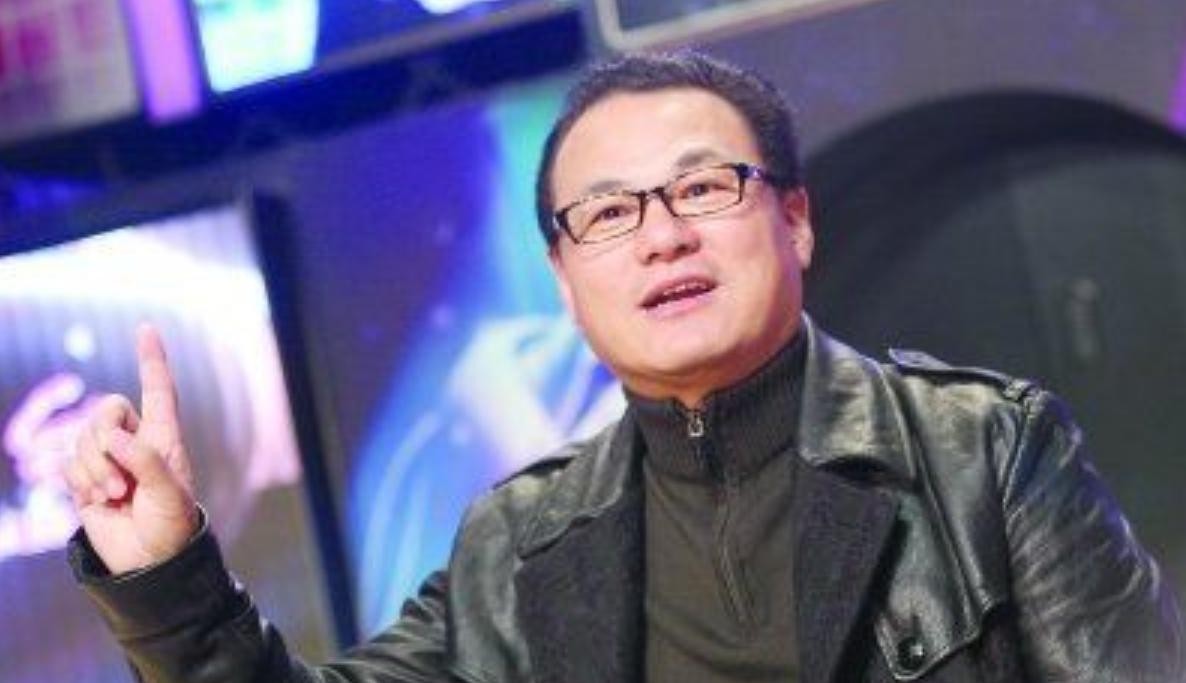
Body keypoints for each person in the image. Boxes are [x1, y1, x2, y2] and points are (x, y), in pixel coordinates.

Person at [65, 51, 1184, 682]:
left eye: (703, 188)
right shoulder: (515, 546)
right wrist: (166, 573)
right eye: (607, 212)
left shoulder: (986, 452)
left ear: (794, 221)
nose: (661, 236)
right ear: (563, 279)